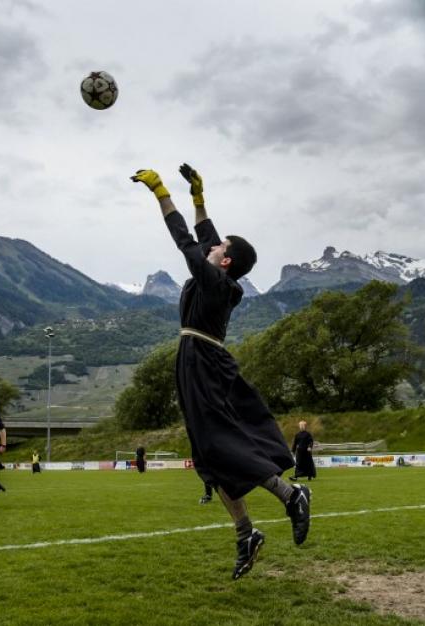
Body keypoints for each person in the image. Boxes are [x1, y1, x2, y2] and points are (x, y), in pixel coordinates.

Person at [132, 164, 309, 581]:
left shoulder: (213, 279)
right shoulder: (219, 273)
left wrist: (160, 193)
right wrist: (198, 197)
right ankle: (246, 533)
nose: (212, 244)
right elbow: (207, 236)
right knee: (208, 456)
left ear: (224, 261)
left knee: (221, 445)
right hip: (194, 359)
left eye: (219, 246)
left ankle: (292, 494)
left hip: (204, 362)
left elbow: (185, 240)